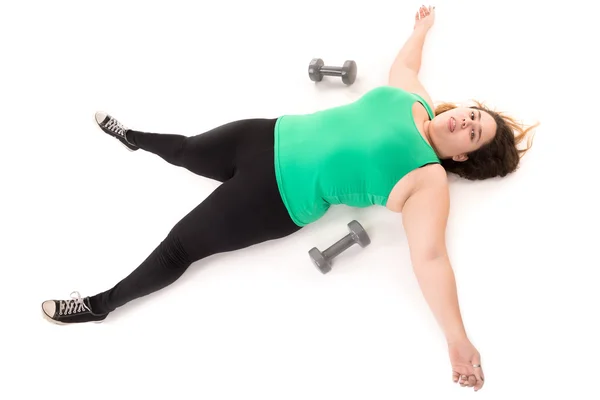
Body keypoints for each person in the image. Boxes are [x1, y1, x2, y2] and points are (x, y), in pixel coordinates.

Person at [41, 5, 536, 392]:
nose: (464, 122)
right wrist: (422, 30)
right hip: (266, 135)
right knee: (189, 149)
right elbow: (405, 63)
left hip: (274, 198)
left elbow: (430, 258)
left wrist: (456, 338)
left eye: (472, 134)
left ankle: (98, 305)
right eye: (472, 115)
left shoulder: (427, 179)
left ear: (463, 158)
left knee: (180, 247)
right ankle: (133, 138)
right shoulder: (415, 99)